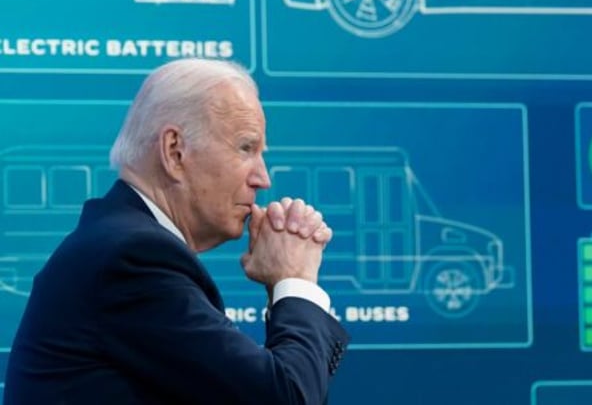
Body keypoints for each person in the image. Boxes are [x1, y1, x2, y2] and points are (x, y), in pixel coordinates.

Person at [3, 58, 349, 404]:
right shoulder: (132, 259)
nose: (263, 179)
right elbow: (284, 398)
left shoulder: (120, 244)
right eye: (246, 148)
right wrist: (295, 280)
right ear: (174, 151)